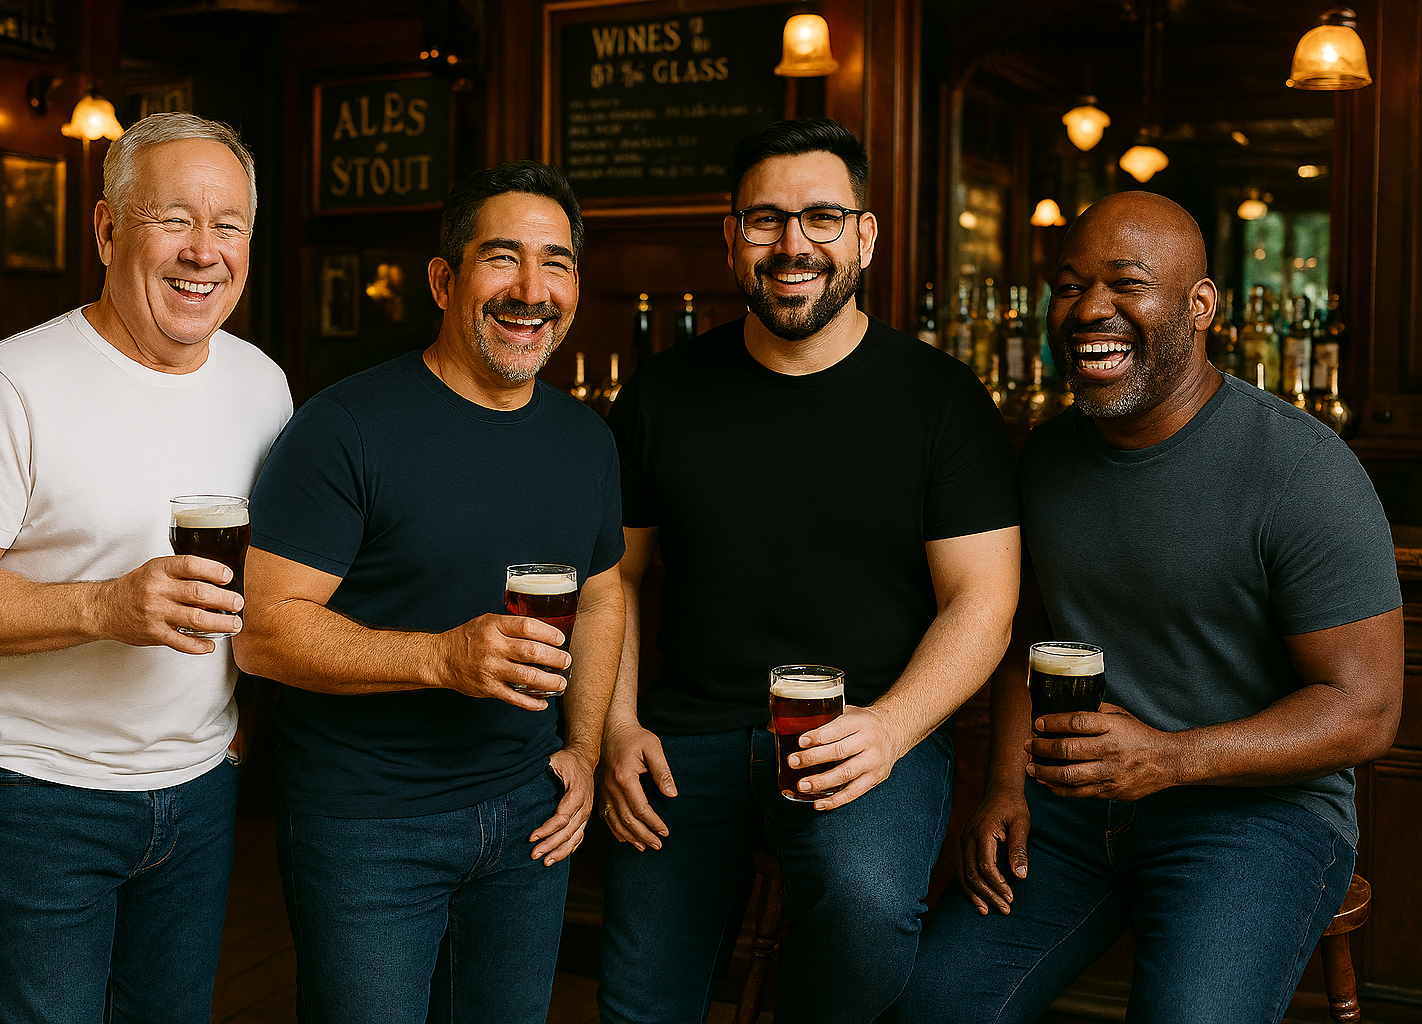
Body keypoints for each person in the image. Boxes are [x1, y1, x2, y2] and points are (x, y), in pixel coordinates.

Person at [899, 191, 1404, 1023]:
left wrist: (1171, 760)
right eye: (1069, 285)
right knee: (929, 1008)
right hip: (1074, 812)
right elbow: (1033, 631)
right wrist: (1002, 786)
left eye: (1126, 284)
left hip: (1254, 818)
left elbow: (1366, 712)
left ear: (1201, 306)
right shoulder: (1049, 453)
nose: (1090, 309)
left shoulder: (1304, 471)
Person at [595, 118, 1022, 1024]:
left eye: (823, 217)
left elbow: (984, 601)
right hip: (687, 739)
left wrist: (891, 730)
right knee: (640, 1002)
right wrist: (616, 724)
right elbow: (615, 580)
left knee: (867, 914)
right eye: (765, 220)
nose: (793, 245)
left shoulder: (944, 401)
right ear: (731, 236)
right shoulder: (663, 392)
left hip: (868, 728)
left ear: (866, 236)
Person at [0, 112, 291, 1023]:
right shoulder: (11, 385)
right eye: (173, 219)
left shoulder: (263, 384)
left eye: (228, 225)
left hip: (196, 791)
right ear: (109, 229)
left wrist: (232, 734)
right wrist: (107, 605)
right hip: (36, 796)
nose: (204, 252)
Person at [231, 160, 624, 1024]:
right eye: (502, 258)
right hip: (366, 823)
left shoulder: (586, 442)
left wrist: (585, 751)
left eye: (555, 263)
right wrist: (444, 657)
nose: (531, 288)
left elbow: (601, 598)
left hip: (530, 811)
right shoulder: (344, 428)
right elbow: (264, 632)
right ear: (445, 280)